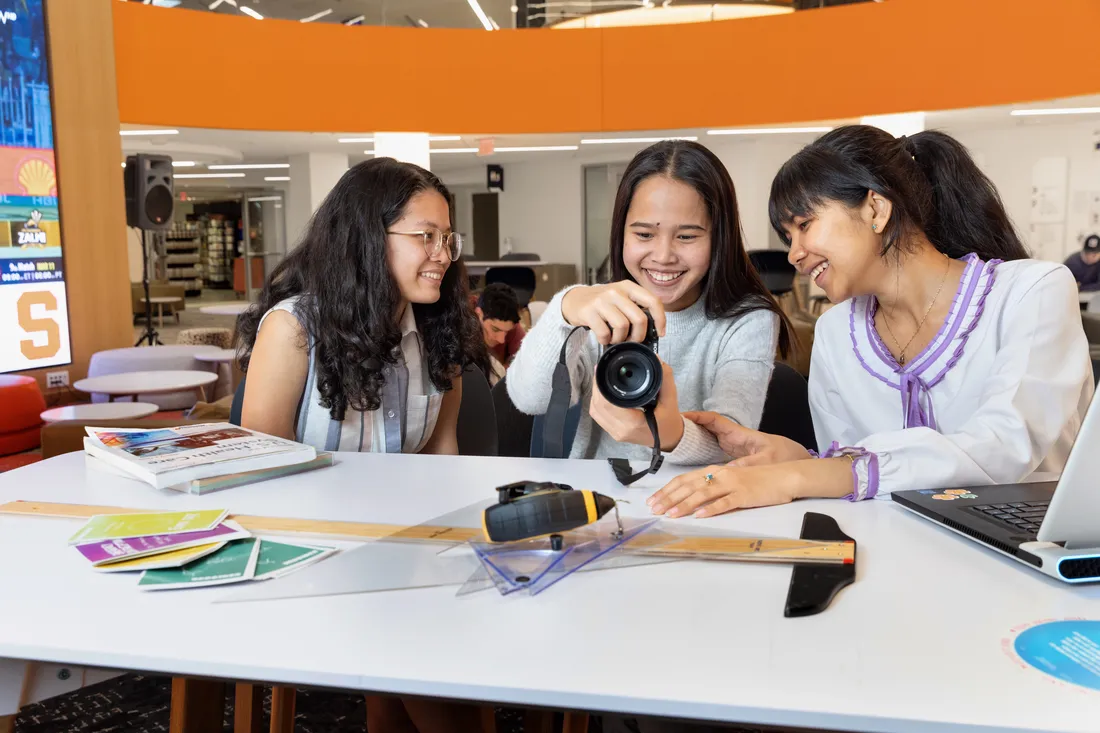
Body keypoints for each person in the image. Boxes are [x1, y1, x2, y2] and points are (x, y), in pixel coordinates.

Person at [647, 126, 1093, 519]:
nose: (794, 253)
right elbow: (852, 473)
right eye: (788, 237)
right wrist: (798, 458)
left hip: (1033, 552)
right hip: (899, 556)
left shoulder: (1033, 291)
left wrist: (799, 477)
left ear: (876, 209)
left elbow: (1004, 445)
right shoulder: (836, 332)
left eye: (805, 224)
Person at [234, 157, 486, 733]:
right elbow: (258, 479)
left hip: (406, 551)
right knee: (430, 666)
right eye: (426, 237)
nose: (444, 254)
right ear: (368, 240)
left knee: (430, 629)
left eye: (448, 238)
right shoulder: (293, 330)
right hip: (311, 552)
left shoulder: (440, 329)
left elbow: (440, 459)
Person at [506, 140, 793, 465]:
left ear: (719, 238)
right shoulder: (601, 311)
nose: (663, 256)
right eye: (644, 235)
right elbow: (530, 399)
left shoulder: (748, 320)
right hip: (597, 496)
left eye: (686, 236)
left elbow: (737, 440)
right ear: (621, 233)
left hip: (702, 501)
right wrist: (564, 308)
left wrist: (666, 433)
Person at [472, 282, 525, 385]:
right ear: (478, 314)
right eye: (495, 329)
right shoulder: (462, 318)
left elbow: (525, 359)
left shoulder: (510, 323)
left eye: (507, 331)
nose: (501, 340)